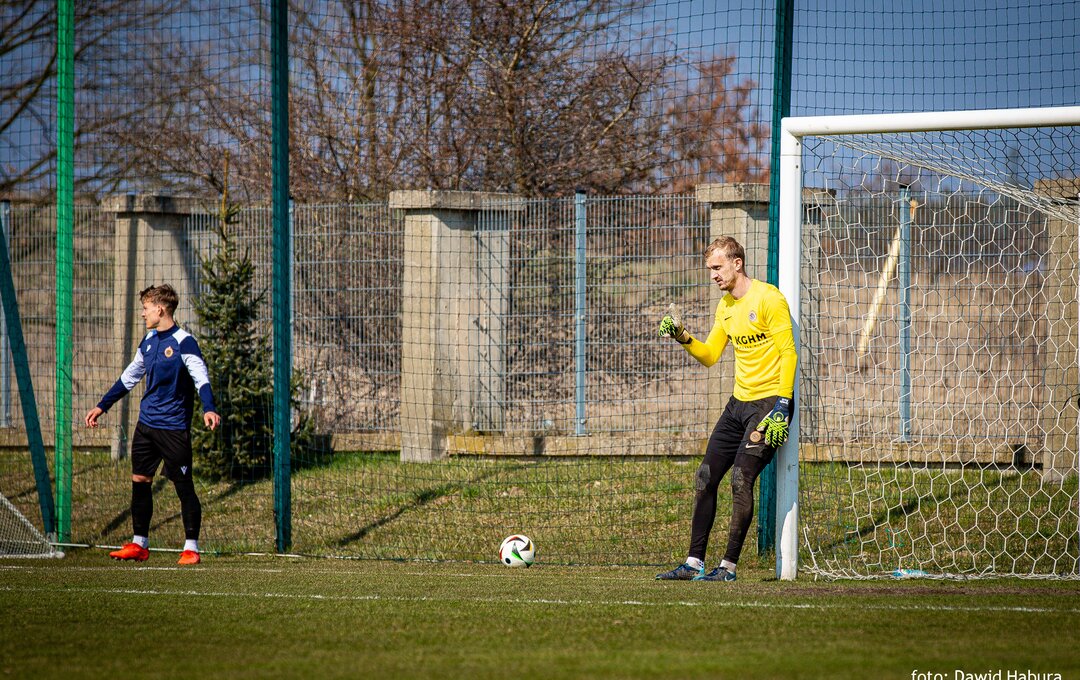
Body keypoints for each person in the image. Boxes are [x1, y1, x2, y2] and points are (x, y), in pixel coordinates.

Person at [655, 236, 796, 582]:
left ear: (737, 263)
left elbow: (788, 353)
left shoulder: (769, 299)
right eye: (710, 269)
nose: (713, 275)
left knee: (741, 479)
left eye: (717, 267)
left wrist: (782, 404)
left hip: (770, 405)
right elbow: (710, 356)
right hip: (738, 405)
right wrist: (682, 335)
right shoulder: (725, 306)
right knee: (705, 477)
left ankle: (728, 567)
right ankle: (693, 564)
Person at [85, 284, 220, 565]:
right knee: (140, 481)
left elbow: (201, 378)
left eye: (146, 308)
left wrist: (209, 408)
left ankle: (191, 548)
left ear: (160, 309)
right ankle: (139, 544)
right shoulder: (148, 341)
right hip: (146, 426)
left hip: (173, 428)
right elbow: (129, 377)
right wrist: (102, 405)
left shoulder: (185, 342)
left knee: (183, 486)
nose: (143, 313)